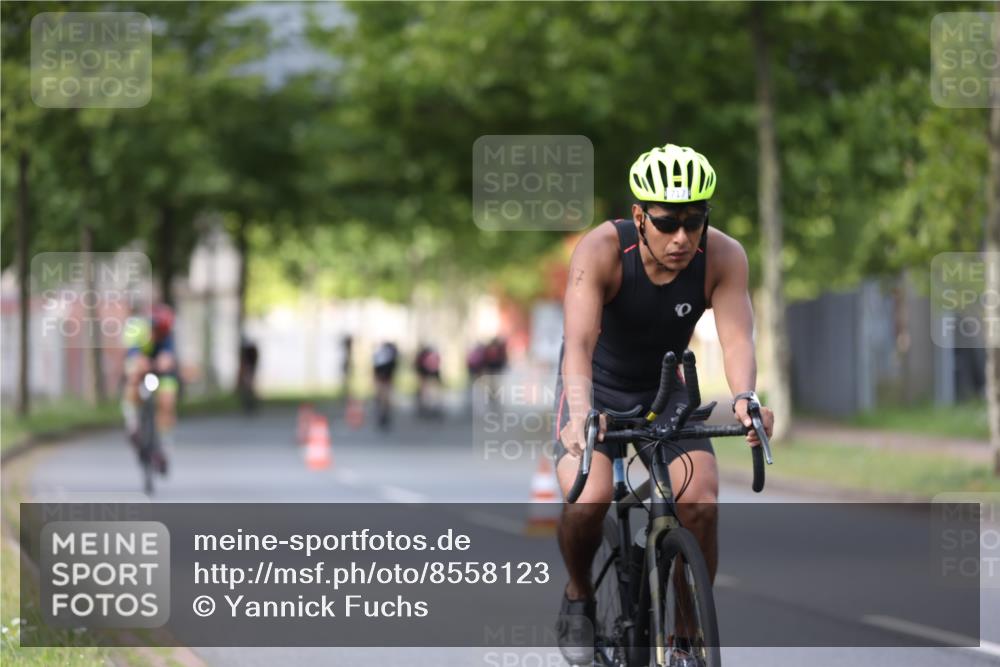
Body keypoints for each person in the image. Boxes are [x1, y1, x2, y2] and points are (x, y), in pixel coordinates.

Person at [553, 143, 775, 665]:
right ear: (639, 215)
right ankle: (579, 596)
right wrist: (581, 413)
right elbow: (579, 345)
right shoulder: (602, 251)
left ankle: (684, 638)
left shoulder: (723, 256)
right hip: (595, 387)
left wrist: (746, 398)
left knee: (699, 500)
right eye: (667, 222)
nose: (681, 237)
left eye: (694, 222)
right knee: (590, 496)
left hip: (665, 391)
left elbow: (738, 339)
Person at [122, 303, 180, 474]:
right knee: (133, 376)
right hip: (141, 367)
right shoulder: (138, 329)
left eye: (163, 332)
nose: (159, 335)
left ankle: (164, 447)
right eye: (157, 331)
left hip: (160, 373)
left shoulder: (168, 335)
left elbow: (168, 357)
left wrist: (165, 362)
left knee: (167, 402)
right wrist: (140, 362)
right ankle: (132, 424)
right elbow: (132, 353)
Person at [372, 341, 399, 429]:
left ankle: (383, 414)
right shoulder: (388, 355)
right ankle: (383, 414)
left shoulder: (382, 355)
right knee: (384, 398)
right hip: (384, 379)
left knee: (384, 398)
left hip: (384, 379)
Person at [414, 344, 443, 418]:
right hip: (432, 374)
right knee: (433, 390)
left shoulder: (422, 356)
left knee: (425, 390)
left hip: (425, 374)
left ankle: (427, 406)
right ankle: (434, 405)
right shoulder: (433, 356)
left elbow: (417, 367)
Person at [237, 334, 260, 414]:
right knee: (248, 388)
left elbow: (246, 361)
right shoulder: (251, 349)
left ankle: (250, 405)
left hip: (249, 369)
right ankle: (249, 405)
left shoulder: (248, 350)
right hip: (249, 369)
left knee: (249, 388)